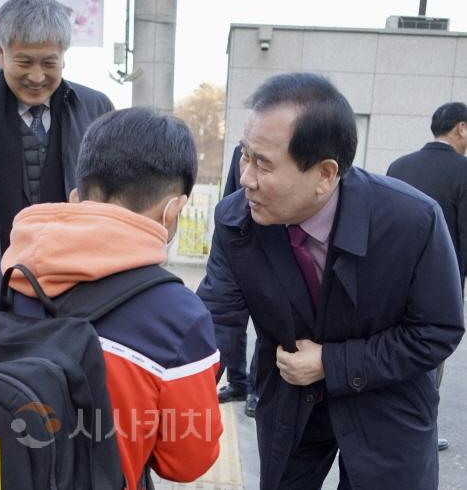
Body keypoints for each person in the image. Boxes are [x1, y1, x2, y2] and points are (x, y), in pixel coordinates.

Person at [197, 72, 464, 489]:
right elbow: (217, 320)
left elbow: (436, 330)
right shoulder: (237, 221)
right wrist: (177, 395)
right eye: (244, 156)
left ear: (325, 174)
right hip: (289, 402)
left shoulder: (412, 221)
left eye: (263, 163)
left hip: (387, 403)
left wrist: (331, 363)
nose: (245, 177)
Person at [0, 108, 222, 489]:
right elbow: (187, 463)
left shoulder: (3, 280)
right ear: (173, 212)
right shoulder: (178, 318)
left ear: (76, 198)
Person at [0, 0, 114, 250]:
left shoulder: (97, 109)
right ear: (0, 52)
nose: (37, 76)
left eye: (49, 63)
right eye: (25, 61)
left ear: (63, 56)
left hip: (77, 265)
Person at [386, 101, 467, 452]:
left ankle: (387, 422)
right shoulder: (464, 171)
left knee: (390, 350)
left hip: (389, 279)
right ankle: (421, 432)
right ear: (461, 128)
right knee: (430, 358)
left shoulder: (399, 166)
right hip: (440, 286)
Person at [216, 144, 259, 418]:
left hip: (269, 236)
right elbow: (234, 189)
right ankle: (238, 382)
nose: (248, 175)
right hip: (241, 238)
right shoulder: (240, 149)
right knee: (234, 323)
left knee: (269, 327)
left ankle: (256, 389)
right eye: (246, 158)